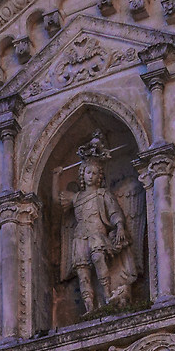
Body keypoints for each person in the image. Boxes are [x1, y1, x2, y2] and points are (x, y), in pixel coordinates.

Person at [63, 135, 140, 319]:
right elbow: (55, 199)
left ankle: (107, 297)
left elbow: (114, 212)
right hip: (80, 237)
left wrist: (120, 226)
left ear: (100, 176)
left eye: (95, 173)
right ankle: (90, 308)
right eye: (88, 172)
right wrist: (55, 177)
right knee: (83, 273)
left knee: (99, 259)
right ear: (82, 174)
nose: (91, 176)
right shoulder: (76, 198)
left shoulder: (103, 194)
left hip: (97, 235)